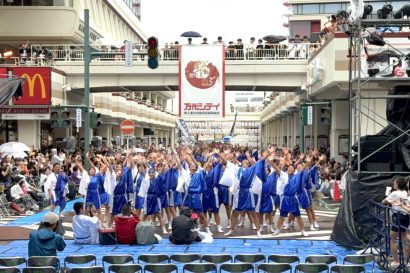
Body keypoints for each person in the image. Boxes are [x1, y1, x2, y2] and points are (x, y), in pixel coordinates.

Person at [382, 177, 409, 266]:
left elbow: (383, 202)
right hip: (405, 217)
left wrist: (389, 196)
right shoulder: (405, 192)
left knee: (392, 239)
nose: (393, 184)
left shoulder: (395, 193)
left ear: (397, 184)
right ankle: (407, 262)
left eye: (394, 182)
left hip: (399, 216)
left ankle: (396, 260)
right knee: (404, 239)